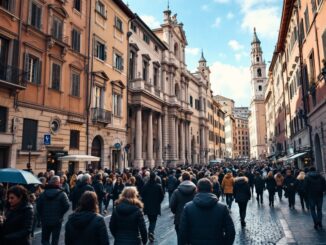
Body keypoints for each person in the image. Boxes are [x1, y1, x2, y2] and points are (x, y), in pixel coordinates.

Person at [179, 178, 235, 244]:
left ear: (197, 189)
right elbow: (230, 231)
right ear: (211, 189)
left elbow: (182, 232)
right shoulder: (222, 207)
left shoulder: (188, 207)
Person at [37, 175, 70, 245]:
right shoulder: (62, 194)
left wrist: (42, 215)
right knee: (55, 240)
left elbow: (38, 206)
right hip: (57, 220)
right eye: (59, 182)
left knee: (45, 239)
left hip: (45, 219)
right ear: (57, 183)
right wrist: (61, 213)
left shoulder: (43, 194)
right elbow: (67, 206)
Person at [170, 171, 196, 244]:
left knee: (180, 240)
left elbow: (172, 205)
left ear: (182, 179)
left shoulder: (176, 191)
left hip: (179, 218)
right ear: (190, 179)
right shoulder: (195, 191)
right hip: (193, 218)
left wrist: (176, 212)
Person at [141, 172, 164, 242]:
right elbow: (162, 196)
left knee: (151, 219)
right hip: (155, 206)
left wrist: (145, 202)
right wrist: (158, 202)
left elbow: (142, 195)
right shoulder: (158, 186)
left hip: (147, 206)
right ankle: (151, 231)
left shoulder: (145, 185)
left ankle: (151, 231)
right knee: (153, 220)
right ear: (155, 178)